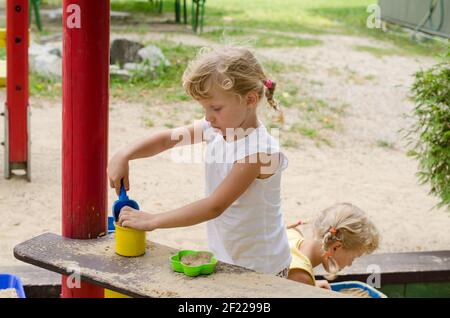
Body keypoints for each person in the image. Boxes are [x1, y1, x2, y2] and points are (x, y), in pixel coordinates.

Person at [107, 46, 291, 277]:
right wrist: (125, 153)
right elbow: (167, 140)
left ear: (250, 99)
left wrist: (153, 220)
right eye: (204, 108)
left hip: (264, 266)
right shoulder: (217, 128)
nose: (207, 117)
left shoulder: (258, 152)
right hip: (231, 258)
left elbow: (215, 205)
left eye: (215, 108)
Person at [287, 202, 379, 289]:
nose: (350, 264)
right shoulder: (300, 276)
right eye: (352, 258)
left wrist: (312, 286)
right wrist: (306, 285)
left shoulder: (292, 232)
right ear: (336, 247)